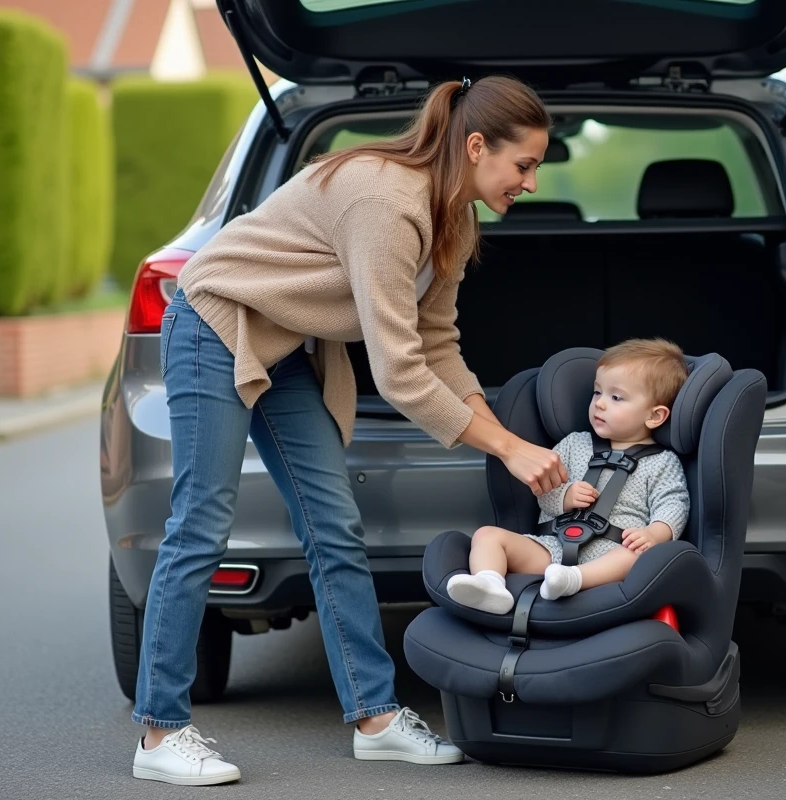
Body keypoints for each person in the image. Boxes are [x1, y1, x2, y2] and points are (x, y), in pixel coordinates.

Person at [129, 75, 567, 786]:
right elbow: (399, 375)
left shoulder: (455, 217)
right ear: (478, 145)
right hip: (217, 325)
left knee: (334, 525)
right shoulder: (386, 203)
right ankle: (159, 731)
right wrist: (508, 449)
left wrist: (510, 440)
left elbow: (438, 346)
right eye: (524, 165)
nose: (532, 183)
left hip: (291, 344)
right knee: (202, 522)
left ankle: (375, 718)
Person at [446, 339, 691, 614]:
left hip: (613, 554)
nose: (599, 404)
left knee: (638, 557)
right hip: (553, 547)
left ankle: (576, 580)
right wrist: (564, 497)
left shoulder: (662, 462)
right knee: (487, 535)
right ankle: (489, 585)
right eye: (597, 393)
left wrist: (653, 534)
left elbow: (673, 503)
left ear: (655, 416)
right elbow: (544, 490)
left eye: (616, 397)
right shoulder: (574, 444)